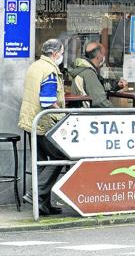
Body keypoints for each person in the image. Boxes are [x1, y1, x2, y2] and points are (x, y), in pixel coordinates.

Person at [18, 39, 66, 216]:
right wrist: (61, 112)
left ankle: (42, 204)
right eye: (61, 52)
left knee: (41, 162)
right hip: (43, 124)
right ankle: (35, 193)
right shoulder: (50, 70)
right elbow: (47, 101)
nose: (62, 55)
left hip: (30, 121)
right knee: (59, 157)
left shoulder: (35, 65)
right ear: (55, 53)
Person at [69, 42, 127, 108]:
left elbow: (100, 83)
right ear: (98, 56)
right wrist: (117, 113)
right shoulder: (88, 73)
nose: (104, 58)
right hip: (88, 115)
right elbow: (100, 101)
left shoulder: (83, 69)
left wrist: (117, 84)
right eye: (103, 55)